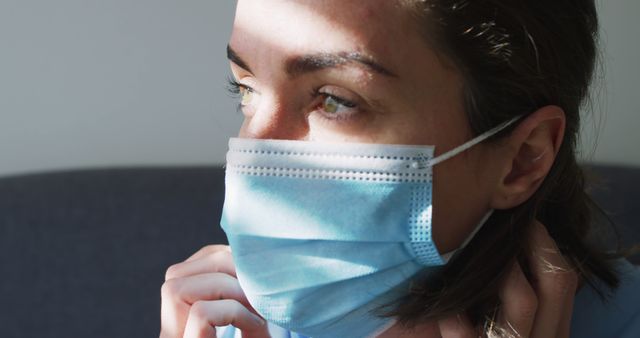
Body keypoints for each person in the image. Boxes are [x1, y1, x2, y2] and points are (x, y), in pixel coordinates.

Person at [159, 1, 640, 337]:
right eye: (246, 88)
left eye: (335, 100)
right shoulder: (228, 321)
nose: (252, 154)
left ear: (521, 159)